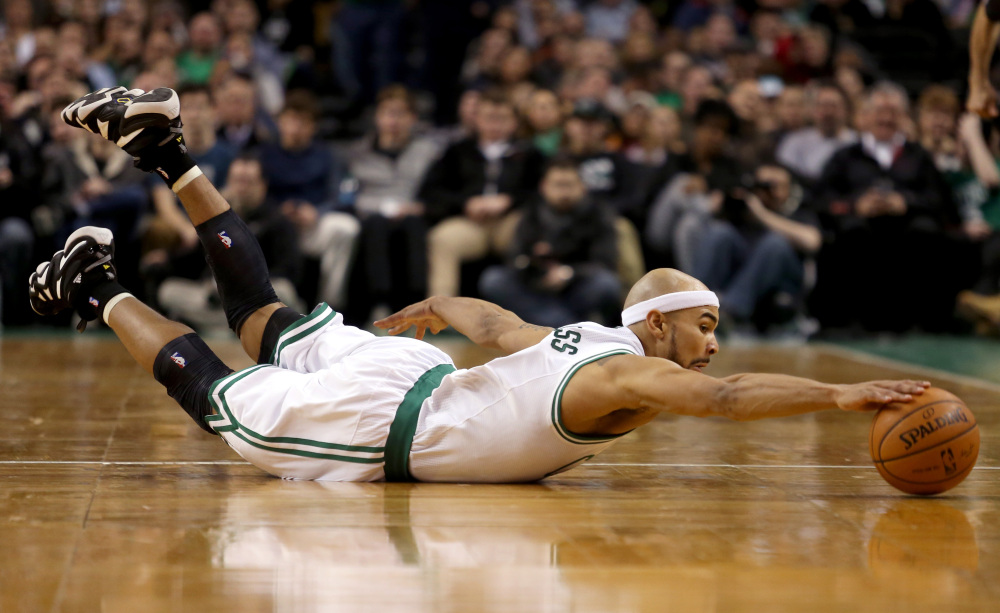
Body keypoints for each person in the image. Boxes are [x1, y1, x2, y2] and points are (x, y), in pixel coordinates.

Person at [31, 86, 929, 483]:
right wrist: (842, 393)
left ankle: (166, 149)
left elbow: (493, 324)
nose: (713, 344)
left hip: (412, 375)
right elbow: (727, 397)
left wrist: (428, 311)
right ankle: (97, 284)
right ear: (655, 325)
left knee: (259, 317)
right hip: (395, 422)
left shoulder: (578, 339)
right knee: (218, 396)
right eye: (703, 324)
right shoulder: (625, 374)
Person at [478, 158, 621, 327]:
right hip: (536, 290)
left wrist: (569, 273)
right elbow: (515, 258)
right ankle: (567, 325)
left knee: (606, 284)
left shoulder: (599, 215)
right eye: (558, 185)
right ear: (544, 186)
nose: (564, 192)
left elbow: (605, 262)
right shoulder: (531, 213)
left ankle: (551, 325)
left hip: (577, 288)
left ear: (583, 186)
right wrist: (537, 269)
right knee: (493, 280)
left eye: (569, 184)